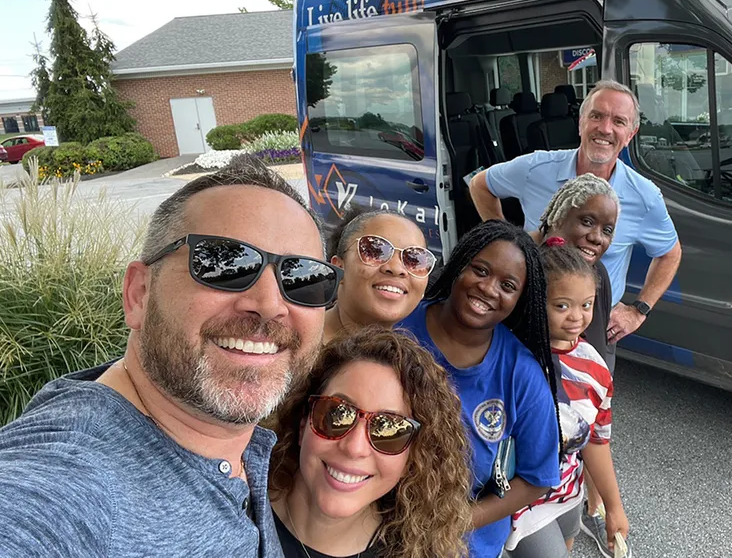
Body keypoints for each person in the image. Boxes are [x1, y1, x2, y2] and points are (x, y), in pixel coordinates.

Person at [0, 154, 340, 556]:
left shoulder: (235, 444)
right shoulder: (67, 479)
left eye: (303, 278)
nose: (269, 304)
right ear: (139, 294)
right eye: (224, 264)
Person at [469, 79, 683, 347]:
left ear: (631, 133)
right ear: (581, 121)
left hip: (591, 325)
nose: (605, 128)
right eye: (596, 116)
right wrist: (506, 242)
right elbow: (480, 185)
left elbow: (670, 253)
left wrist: (638, 310)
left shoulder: (644, 196)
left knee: (590, 387)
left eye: (618, 121)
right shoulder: (537, 168)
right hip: (526, 309)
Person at [397, 219, 562, 558]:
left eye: (508, 285)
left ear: (520, 299)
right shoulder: (398, 326)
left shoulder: (522, 373)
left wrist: (458, 520)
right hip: (375, 512)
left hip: (461, 538)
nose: (489, 288)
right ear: (459, 266)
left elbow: (537, 476)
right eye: (481, 270)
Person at [267, 325, 472, 558]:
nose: (354, 448)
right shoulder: (235, 496)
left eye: (391, 430)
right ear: (304, 421)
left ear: (413, 458)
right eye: (337, 414)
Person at [505, 239, 629, 558]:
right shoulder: (511, 357)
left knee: (567, 545)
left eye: (586, 304)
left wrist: (612, 506)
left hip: (569, 492)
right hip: (523, 502)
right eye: (562, 305)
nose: (577, 317)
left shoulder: (595, 368)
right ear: (535, 301)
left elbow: (596, 440)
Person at [534, 173, 620, 372]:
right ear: (559, 218)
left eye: (607, 230)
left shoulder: (597, 273)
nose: (597, 238)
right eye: (587, 222)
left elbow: (599, 346)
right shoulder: (531, 271)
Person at [322, 205, 436, 342]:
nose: (397, 268)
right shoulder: (298, 348)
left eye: (415, 259)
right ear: (339, 267)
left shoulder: (411, 361)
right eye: (375, 251)